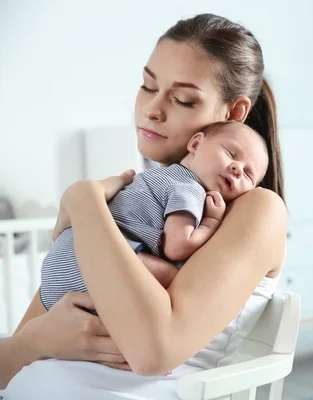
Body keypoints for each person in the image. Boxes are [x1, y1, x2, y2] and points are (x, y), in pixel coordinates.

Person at [0, 13, 287, 399]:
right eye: (147, 85)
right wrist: (38, 341)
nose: (152, 109)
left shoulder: (257, 211)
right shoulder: (136, 203)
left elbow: (154, 350)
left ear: (232, 113)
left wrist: (83, 200)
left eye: (182, 99)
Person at [41, 120, 270, 311]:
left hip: (58, 264)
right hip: (92, 263)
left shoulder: (158, 176)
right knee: (174, 281)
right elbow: (178, 246)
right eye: (230, 153)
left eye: (248, 175)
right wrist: (211, 221)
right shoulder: (189, 189)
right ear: (196, 143)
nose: (237, 169)